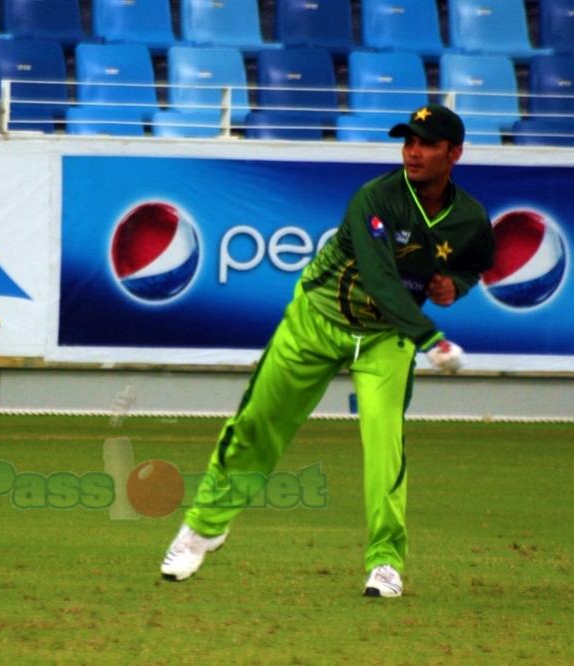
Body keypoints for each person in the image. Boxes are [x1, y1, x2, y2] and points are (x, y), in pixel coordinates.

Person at [160, 105, 496, 597]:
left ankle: (385, 562)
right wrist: (431, 337)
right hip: (317, 322)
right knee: (257, 425)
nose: (413, 151)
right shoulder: (376, 198)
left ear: (455, 153)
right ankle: (204, 527)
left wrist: (455, 285)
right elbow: (382, 279)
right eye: (408, 141)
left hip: (386, 339)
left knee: (386, 448)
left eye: (426, 143)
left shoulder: (469, 219)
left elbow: (477, 262)